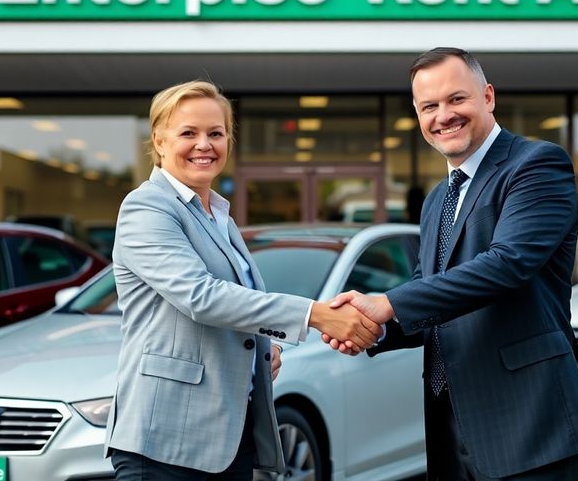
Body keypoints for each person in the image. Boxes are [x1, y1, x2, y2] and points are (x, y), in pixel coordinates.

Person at [325, 48, 578, 480]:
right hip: (453, 424)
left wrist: (388, 303)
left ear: (488, 97)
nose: (443, 116)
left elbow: (506, 265)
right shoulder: (438, 198)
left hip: (528, 421)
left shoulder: (536, 165)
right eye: (429, 106)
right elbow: (430, 294)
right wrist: (373, 328)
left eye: (457, 99)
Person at [107, 80, 381, 480]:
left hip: (226, 437)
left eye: (216, 133)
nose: (205, 144)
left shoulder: (219, 215)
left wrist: (256, 353)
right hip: (165, 442)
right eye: (189, 133)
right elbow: (201, 297)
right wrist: (316, 314)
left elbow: (236, 306)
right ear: (160, 141)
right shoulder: (147, 206)